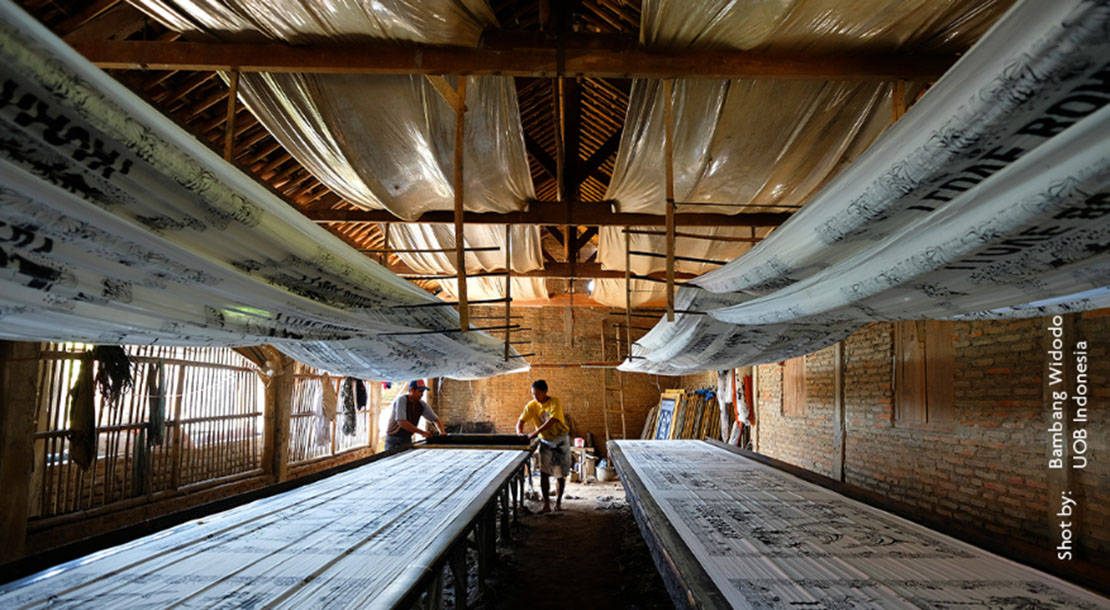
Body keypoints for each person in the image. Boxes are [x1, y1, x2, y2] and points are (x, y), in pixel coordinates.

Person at [516, 379, 570, 512]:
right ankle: (546, 504)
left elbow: (553, 420)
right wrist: (519, 433)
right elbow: (521, 420)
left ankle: (558, 502)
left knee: (559, 474)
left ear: (545, 392)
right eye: (533, 394)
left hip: (560, 440)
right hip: (545, 441)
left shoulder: (554, 401)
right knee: (544, 473)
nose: (535, 397)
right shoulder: (532, 405)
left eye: (538, 394)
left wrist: (535, 433)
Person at [384, 380, 443, 451]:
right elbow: (402, 422)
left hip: (407, 438)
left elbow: (435, 419)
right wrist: (422, 432)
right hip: (394, 440)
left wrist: (442, 431)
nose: (422, 394)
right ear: (412, 390)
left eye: (423, 392)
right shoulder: (401, 400)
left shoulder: (421, 404)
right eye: (420, 391)